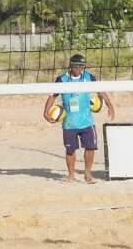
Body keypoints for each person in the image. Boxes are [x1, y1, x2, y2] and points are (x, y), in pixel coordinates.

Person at [43, 54, 115, 184]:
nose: (78, 68)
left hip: (87, 121)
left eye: (81, 66)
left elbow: (100, 91)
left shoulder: (88, 77)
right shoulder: (62, 79)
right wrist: (45, 112)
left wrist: (110, 105)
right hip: (69, 123)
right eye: (76, 65)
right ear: (71, 66)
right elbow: (52, 96)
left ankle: (87, 174)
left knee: (91, 148)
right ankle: (71, 175)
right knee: (70, 150)